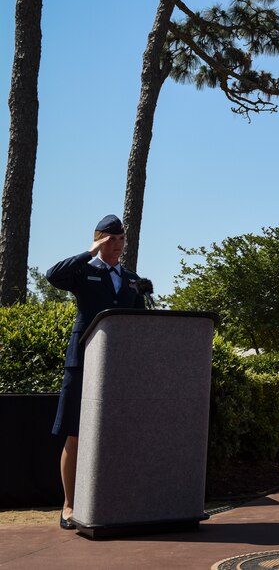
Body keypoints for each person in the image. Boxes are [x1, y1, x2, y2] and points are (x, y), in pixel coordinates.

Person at [45, 214, 146, 530]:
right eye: (110, 240)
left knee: (118, 436)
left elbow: (141, 322)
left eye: (120, 240)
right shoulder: (83, 271)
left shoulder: (132, 278)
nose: (116, 246)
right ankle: (69, 504)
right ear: (100, 240)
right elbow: (52, 275)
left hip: (119, 368)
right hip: (83, 363)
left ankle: (113, 502)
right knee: (75, 435)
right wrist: (89, 251)